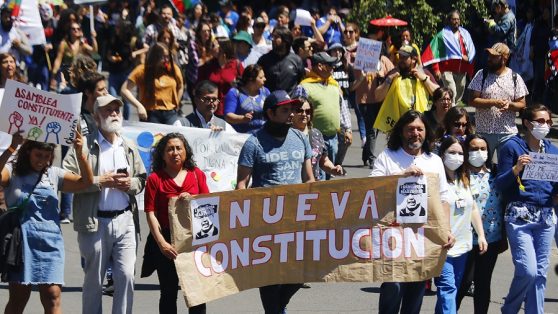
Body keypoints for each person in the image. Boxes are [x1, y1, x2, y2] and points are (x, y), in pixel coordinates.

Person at [63, 94, 147, 314]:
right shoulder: (82, 147)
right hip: (95, 222)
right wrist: (101, 181)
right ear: (96, 117)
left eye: (116, 110)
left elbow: (141, 179)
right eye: (107, 110)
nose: (113, 114)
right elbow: (66, 180)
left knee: (127, 276)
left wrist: (130, 183)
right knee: (94, 281)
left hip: (125, 220)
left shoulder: (127, 145)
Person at [237, 90, 315, 313]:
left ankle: (277, 308)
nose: (291, 114)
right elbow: (242, 184)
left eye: (292, 109)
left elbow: (309, 177)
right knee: (270, 276)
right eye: (285, 110)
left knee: (301, 273)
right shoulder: (254, 143)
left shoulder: (300, 138)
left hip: (298, 218)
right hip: (266, 222)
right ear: (270, 113)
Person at [370, 110, 454, 314]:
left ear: (426, 133)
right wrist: (401, 176)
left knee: (417, 289)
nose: (415, 133)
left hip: (422, 237)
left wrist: (446, 230)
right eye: (410, 129)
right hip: (393, 236)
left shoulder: (433, 160)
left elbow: (444, 197)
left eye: (419, 129)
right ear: (401, 132)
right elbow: (371, 187)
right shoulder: (388, 157)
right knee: (394, 285)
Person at [2, 131, 93, 314]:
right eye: (38, 155)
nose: (42, 160)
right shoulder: (13, 171)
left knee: (52, 295)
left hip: (51, 242)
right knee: (19, 297)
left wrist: (80, 152)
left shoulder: (54, 174)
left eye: (46, 156)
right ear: (28, 152)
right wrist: (12, 147)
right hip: (22, 243)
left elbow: (86, 183)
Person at [496, 104, 558, 314]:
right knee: (528, 270)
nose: (545, 125)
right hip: (519, 216)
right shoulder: (512, 147)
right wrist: (516, 169)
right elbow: (500, 184)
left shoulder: (552, 150)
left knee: (541, 273)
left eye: (548, 122)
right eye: (540, 121)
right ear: (527, 123)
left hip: (546, 217)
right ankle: (510, 309)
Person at [141, 133, 208, 314]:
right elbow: (150, 213)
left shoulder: (197, 175)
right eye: (170, 149)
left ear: (186, 152)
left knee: (197, 295)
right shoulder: (155, 179)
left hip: (193, 242)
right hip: (167, 242)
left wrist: (194, 199)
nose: (175, 152)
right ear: (162, 154)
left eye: (179, 148)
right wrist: (162, 244)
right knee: (169, 293)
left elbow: (208, 206)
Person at [435, 136, 487, 314]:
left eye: (460, 153)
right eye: (452, 152)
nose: (456, 157)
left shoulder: (463, 178)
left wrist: (480, 235)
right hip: (443, 247)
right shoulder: (436, 180)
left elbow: (472, 208)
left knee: (452, 290)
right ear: (442, 154)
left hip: (462, 246)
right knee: (447, 289)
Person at [456, 134, 506, 313]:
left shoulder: (496, 173)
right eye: (474, 149)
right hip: (464, 238)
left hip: (491, 238)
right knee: (463, 282)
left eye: (483, 149)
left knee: (483, 283)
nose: (479, 152)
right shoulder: (458, 174)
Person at [468, 42, 528, 162]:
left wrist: (510, 105)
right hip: (484, 131)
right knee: (482, 166)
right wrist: (493, 102)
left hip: (507, 133)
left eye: (494, 56)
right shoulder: (482, 74)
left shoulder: (515, 77)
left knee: (506, 168)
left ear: (504, 58)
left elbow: (522, 104)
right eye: (489, 56)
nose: (489, 59)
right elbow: (472, 100)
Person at [300, 51, 352, 179]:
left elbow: (342, 109)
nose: (333, 68)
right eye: (329, 65)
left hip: (332, 138)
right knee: (317, 174)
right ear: (319, 66)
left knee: (329, 171)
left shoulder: (334, 85)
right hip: (313, 138)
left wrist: (348, 129)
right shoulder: (305, 87)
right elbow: (297, 111)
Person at [351, 40, 395, 167]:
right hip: (365, 101)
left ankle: (366, 155)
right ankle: (371, 158)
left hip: (380, 99)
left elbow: (393, 72)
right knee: (372, 129)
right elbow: (354, 82)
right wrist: (363, 76)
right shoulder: (361, 62)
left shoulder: (384, 61)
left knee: (374, 130)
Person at [121, 42, 184, 124]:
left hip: (171, 113)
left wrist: (177, 103)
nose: (167, 60)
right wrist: (139, 106)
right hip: (150, 114)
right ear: (155, 57)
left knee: (174, 135)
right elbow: (124, 90)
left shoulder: (173, 69)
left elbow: (181, 86)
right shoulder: (142, 70)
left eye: (168, 56)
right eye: (163, 57)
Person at [422, 10, 476, 104]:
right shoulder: (442, 35)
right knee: (452, 92)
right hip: (446, 70)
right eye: (454, 19)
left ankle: (452, 108)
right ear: (449, 20)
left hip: (461, 70)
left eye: (458, 19)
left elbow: (470, 52)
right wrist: (436, 69)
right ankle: (451, 113)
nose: (456, 21)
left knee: (459, 92)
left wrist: (469, 64)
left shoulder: (465, 35)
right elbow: (435, 54)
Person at [291, 85, 344, 179]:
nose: (304, 114)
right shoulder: (287, 134)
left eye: (307, 111)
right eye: (299, 111)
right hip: (294, 185)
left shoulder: (316, 134)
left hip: (314, 185)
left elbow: (323, 160)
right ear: (292, 113)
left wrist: (333, 168)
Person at [197, 38, 244, 117]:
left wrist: (236, 85)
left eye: (213, 45)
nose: (210, 47)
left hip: (231, 110)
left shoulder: (236, 64)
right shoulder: (207, 66)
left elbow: (245, 85)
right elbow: (198, 87)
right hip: (210, 110)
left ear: (222, 49)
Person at [50, 22, 97, 91]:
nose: (76, 30)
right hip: (66, 73)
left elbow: (94, 52)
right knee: (63, 92)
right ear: (69, 31)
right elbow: (58, 60)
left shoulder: (82, 44)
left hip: (78, 75)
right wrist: (53, 77)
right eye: (73, 29)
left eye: (78, 29)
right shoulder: (64, 44)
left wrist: (94, 38)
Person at [224, 64, 270, 134]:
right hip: (241, 136)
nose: (265, 79)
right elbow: (228, 116)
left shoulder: (265, 92)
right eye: (261, 77)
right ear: (251, 80)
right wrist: (242, 119)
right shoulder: (235, 93)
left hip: (262, 135)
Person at [257, 26, 305, 93]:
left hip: (290, 101)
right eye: (272, 37)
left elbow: (302, 82)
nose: (273, 40)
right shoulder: (264, 60)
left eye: (276, 37)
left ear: (285, 40)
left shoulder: (296, 60)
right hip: (270, 101)